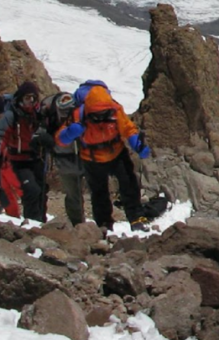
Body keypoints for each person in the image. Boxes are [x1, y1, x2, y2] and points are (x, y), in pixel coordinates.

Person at [57, 80, 151, 231]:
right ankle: (108, 223)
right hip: (94, 158)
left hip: (109, 154)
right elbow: (60, 139)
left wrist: (137, 143)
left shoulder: (114, 109)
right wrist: (70, 133)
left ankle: (129, 219)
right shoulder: (79, 114)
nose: (101, 117)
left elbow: (128, 128)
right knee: (104, 191)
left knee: (126, 185)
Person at [0, 81, 48, 222]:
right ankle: (33, 223)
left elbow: (46, 132)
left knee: (42, 192)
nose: (30, 102)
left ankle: (40, 222)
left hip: (37, 158)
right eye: (27, 98)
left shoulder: (38, 115)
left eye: (33, 98)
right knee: (31, 191)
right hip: (18, 161)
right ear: (20, 98)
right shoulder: (12, 116)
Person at [38, 91, 84, 225]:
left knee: (73, 194)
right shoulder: (79, 111)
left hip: (63, 156)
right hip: (80, 156)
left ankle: (78, 225)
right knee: (77, 194)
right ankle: (88, 226)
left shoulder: (50, 111)